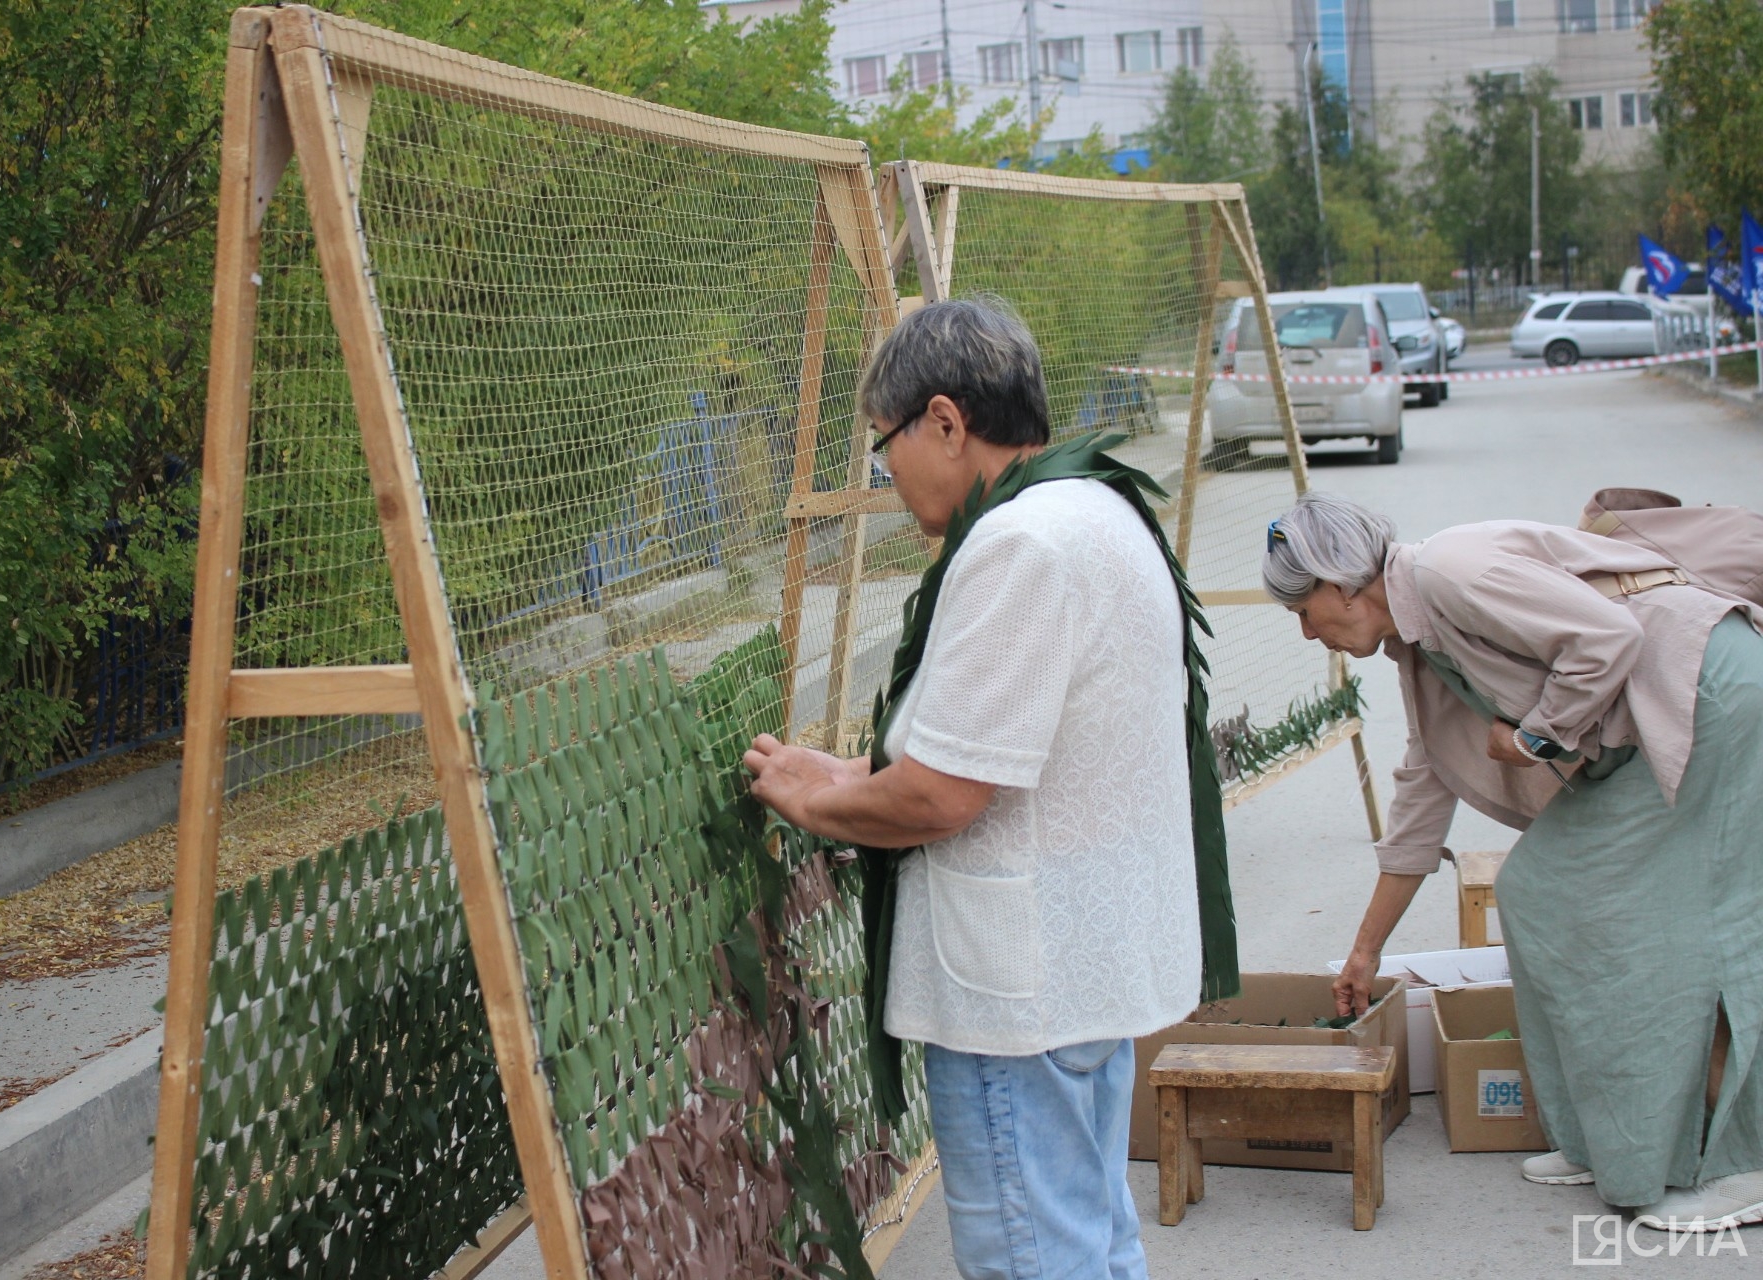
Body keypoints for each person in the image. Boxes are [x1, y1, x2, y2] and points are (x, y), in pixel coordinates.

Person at [743, 297, 1232, 1280]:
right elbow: (1011, 752)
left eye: (883, 446)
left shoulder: (1020, 545)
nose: (884, 476)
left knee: (1034, 1255)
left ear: (944, 422)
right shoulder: (1094, 507)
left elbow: (941, 798)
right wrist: (846, 773)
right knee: (1091, 1238)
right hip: (1083, 972)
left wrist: (816, 803)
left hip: (1021, 996)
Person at [1261, 491, 1763, 1231]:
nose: (1309, 633)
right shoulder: (1420, 640)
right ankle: (1609, 1138)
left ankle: (1741, 1164)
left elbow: (1606, 635)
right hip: (1666, 713)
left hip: (1709, 698)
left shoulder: (1449, 571)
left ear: (1339, 586)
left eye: (1304, 611)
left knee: (1697, 930)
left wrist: (1536, 735)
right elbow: (1421, 802)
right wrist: (1364, 953)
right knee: (1536, 891)